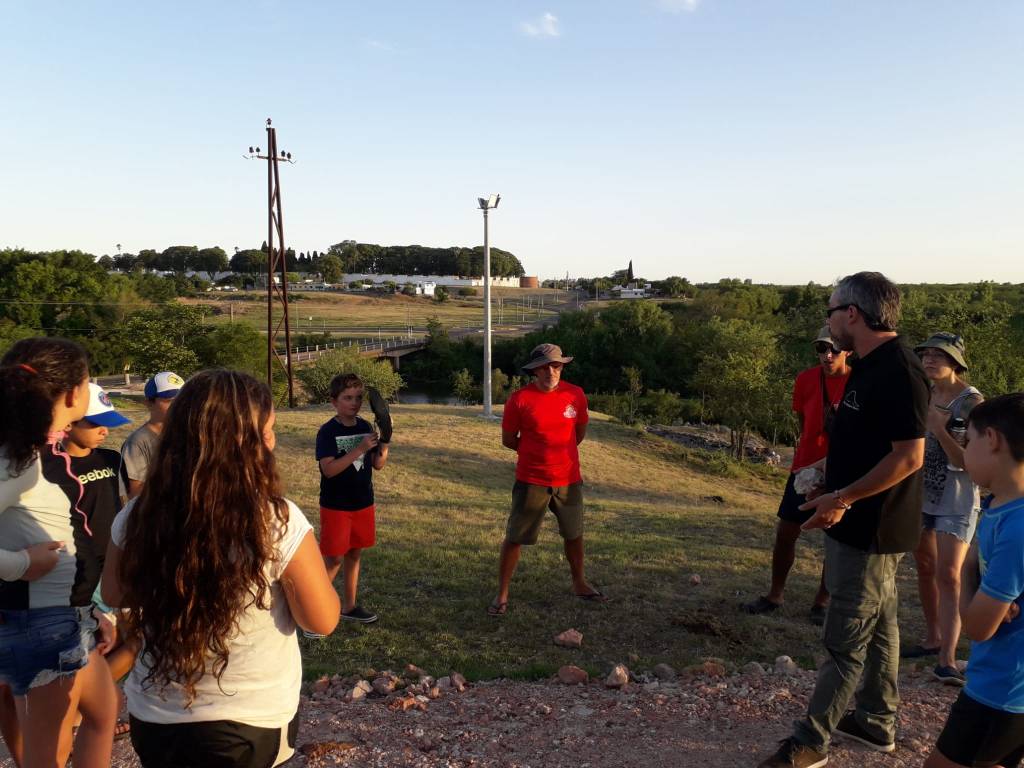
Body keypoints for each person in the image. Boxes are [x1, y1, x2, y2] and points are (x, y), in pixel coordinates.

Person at [101, 369, 339, 768]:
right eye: (268, 432)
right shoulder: (276, 520)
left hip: (156, 717)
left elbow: (114, 592)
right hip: (249, 720)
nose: (273, 442)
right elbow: (323, 620)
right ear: (245, 444)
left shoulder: (137, 515)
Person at [758, 272, 929, 768]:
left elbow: (909, 456)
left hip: (872, 525)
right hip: (860, 518)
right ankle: (876, 721)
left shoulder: (899, 370)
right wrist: (823, 476)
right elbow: (864, 443)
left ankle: (811, 742)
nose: (829, 321)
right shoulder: (869, 366)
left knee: (844, 638)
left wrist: (843, 497)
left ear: (852, 314)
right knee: (881, 627)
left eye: (831, 310)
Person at [0, 337, 118, 768]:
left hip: (69, 614)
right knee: (46, 755)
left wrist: (91, 608)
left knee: (103, 713)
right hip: (41, 625)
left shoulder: (25, 451)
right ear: (73, 394)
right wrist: (22, 564)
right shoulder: (17, 461)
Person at [923, 393, 1024, 768]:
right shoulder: (1001, 505)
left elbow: (979, 627)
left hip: (1001, 688)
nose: (964, 453)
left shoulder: (1016, 526)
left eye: (969, 442)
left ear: (992, 439)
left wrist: (968, 571)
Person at [743, 326, 850, 625]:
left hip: (841, 470)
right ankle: (775, 594)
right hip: (804, 467)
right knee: (786, 533)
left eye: (834, 349)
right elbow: (803, 419)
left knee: (835, 540)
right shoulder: (805, 379)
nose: (827, 355)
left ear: (848, 350)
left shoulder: (858, 382)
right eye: (821, 348)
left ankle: (822, 602)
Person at [489, 343, 602, 617]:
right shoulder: (519, 400)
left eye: (556, 365)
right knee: (515, 537)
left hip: (569, 480)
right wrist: (535, 452)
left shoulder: (575, 395)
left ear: (562, 367)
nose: (551, 371)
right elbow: (508, 440)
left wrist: (559, 453)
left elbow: (579, 433)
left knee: (574, 534)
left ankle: (579, 582)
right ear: (534, 371)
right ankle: (502, 593)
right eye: (544, 367)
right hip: (531, 480)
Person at [903, 333, 982, 686]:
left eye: (939, 355)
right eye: (927, 354)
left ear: (955, 363)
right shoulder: (924, 393)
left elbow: (969, 463)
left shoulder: (972, 403)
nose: (930, 360)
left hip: (957, 499)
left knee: (950, 575)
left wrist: (938, 428)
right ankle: (932, 637)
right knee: (924, 565)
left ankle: (947, 660)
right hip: (921, 493)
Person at [314, 373, 390, 627]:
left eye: (358, 398)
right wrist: (359, 449)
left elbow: (377, 464)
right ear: (334, 401)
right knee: (334, 558)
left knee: (354, 554)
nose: (354, 403)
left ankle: (349, 607)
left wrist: (385, 441)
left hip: (363, 502)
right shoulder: (328, 432)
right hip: (336, 505)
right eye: (347, 398)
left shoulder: (365, 426)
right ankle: (312, 610)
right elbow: (329, 470)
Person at [118, 370, 182, 501]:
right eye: (169, 401)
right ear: (148, 402)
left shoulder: (188, 433)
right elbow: (134, 493)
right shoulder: (138, 442)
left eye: (181, 400)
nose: (177, 406)